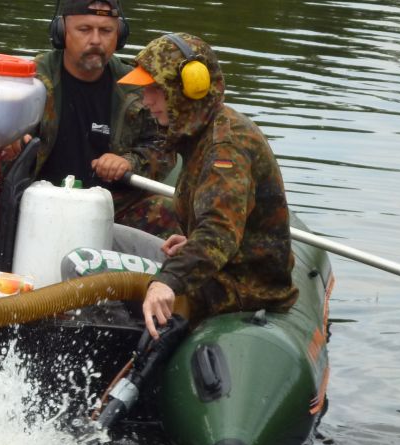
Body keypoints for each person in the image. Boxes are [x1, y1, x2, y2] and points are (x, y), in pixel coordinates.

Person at [117, 33, 299, 338]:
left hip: (239, 287)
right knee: (109, 236)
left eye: (155, 90)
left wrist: (168, 282)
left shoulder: (225, 149)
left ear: (188, 89)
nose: (146, 101)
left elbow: (219, 232)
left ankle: (116, 342)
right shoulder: (201, 133)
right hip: (222, 271)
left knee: (82, 267)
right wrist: (191, 244)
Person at [10, 0, 179, 236]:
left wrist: (127, 162)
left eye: (106, 31)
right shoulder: (31, 79)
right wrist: (11, 140)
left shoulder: (137, 88)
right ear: (61, 33)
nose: (96, 40)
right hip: (31, 197)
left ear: (119, 36)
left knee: (171, 211)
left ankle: (156, 276)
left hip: (109, 205)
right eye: (84, 30)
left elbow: (164, 147)